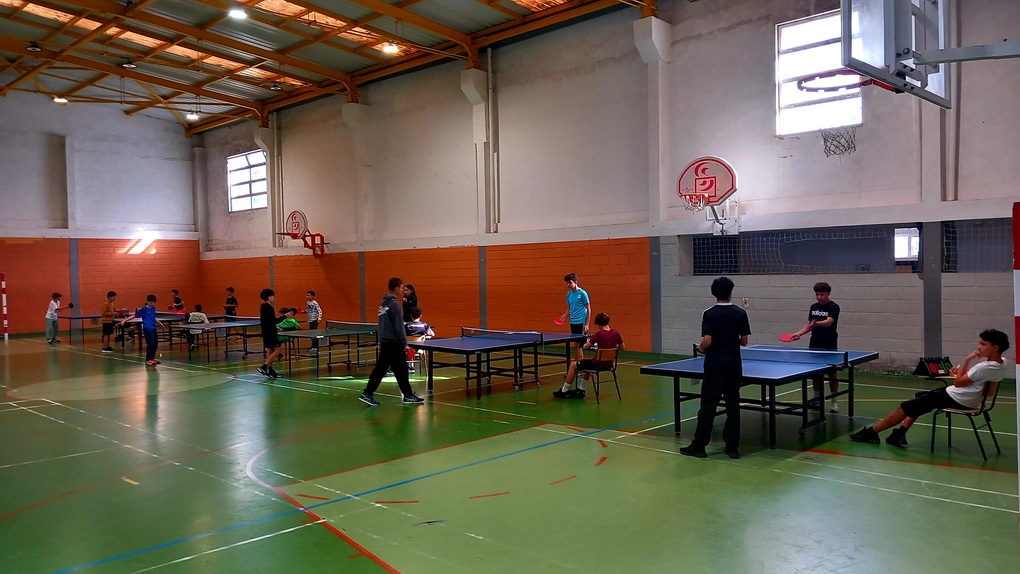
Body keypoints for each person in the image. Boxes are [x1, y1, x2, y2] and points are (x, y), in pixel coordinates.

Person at [850, 329, 1010, 447]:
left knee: (904, 407)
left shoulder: (982, 367)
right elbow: (974, 379)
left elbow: (958, 383)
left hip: (956, 398)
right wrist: (962, 373)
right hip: (971, 400)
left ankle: (872, 433)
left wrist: (967, 360)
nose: (978, 347)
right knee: (919, 397)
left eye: (983, 344)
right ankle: (899, 434)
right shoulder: (1002, 363)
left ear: (995, 347)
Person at [680, 276, 752, 460]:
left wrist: (701, 348)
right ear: (730, 292)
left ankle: (699, 446)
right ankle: (732, 448)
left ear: (714, 293)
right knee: (733, 407)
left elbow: (707, 340)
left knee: (708, 407)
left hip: (715, 366)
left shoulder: (709, 313)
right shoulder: (740, 313)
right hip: (734, 366)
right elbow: (744, 341)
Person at [359, 278, 424, 406]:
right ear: (396, 288)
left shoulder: (383, 304)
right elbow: (398, 326)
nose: (402, 290)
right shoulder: (394, 305)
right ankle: (368, 393)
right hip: (393, 343)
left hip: (385, 341)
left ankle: (407, 395)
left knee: (397, 369)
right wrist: (404, 344)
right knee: (391, 369)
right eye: (402, 287)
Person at [789, 282, 841, 413]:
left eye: (822, 294)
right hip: (815, 343)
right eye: (817, 294)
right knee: (815, 373)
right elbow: (809, 325)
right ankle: (817, 398)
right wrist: (798, 333)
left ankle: (834, 402)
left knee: (832, 373)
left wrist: (815, 323)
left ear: (828, 294)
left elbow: (829, 322)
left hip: (829, 344)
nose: (819, 297)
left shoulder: (834, 307)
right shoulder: (814, 307)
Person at [554, 312, 624, 400]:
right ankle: (581, 390)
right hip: (609, 364)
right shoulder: (616, 332)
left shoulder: (599, 334)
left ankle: (564, 390)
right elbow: (622, 347)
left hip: (598, 365)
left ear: (598, 324)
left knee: (573, 365)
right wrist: (611, 349)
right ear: (608, 322)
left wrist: (586, 341)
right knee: (587, 364)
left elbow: (585, 347)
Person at [117, 295, 162, 366]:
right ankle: (148, 360)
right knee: (150, 344)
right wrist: (124, 320)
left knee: (155, 343)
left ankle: (152, 358)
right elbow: (134, 315)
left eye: (153, 302)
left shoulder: (153, 308)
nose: (152, 304)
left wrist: (160, 323)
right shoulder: (143, 309)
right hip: (147, 328)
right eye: (151, 302)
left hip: (153, 328)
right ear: (147, 302)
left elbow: (153, 317)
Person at [558, 273, 591, 361]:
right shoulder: (569, 294)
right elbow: (570, 309)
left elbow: (588, 309)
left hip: (581, 322)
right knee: (577, 345)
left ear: (575, 282)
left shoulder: (582, 293)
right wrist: (564, 316)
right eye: (567, 283)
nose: (568, 285)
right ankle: (580, 365)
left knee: (579, 345)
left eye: (570, 282)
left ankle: (577, 364)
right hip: (573, 322)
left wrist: (587, 324)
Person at [257, 288, 287, 378]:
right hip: (270, 333)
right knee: (278, 349)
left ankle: (270, 370)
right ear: (269, 297)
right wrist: (284, 316)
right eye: (272, 296)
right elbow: (274, 320)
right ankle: (264, 366)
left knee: (271, 349)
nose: (273, 298)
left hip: (266, 331)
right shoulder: (269, 307)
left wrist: (275, 327)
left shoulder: (263, 306)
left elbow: (267, 321)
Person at [405, 307, 435, 374]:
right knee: (415, 346)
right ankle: (419, 350)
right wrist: (424, 335)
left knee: (409, 347)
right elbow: (432, 334)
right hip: (419, 345)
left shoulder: (406, 325)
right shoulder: (424, 325)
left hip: (408, 347)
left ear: (411, 315)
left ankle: (411, 366)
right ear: (421, 315)